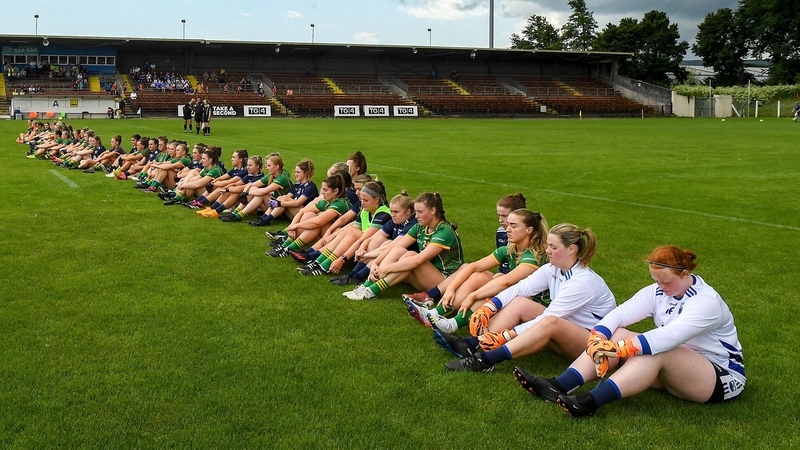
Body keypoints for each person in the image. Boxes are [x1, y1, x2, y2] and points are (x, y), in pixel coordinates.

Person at [516, 246, 745, 418]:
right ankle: (558, 385)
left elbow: (669, 337)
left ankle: (588, 401)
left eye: (666, 282)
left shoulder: (707, 302)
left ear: (685, 274)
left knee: (657, 350)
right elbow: (620, 314)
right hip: (680, 369)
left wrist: (617, 350)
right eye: (656, 281)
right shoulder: (659, 290)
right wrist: (598, 338)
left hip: (720, 377)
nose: (661, 288)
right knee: (619, 333)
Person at [440, 223, 616, 373]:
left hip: (590, 345)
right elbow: (520, 288)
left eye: (553, 247)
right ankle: (471, 344)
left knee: (550, 321)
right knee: (521, 302)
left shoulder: (582, 282)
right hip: (566, 327)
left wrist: (506, 335)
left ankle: (486, 360)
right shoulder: (552, 269)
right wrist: (490, 306)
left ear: (571, 249)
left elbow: (548, 318)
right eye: (548, 245)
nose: (547, 251)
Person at [404, 208, 549, 334]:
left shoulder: (534, 255)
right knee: (480, 275)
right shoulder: (511, 250)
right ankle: (436, 314)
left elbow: (506, 282)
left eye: (513, 226)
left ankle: (451, 322)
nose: (507, 229)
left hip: (536, 307)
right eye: (508, 224)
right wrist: (451, 288)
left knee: (498, 281)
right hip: (518, 298)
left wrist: (472, 296)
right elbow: (473, 266)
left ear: (529, 230)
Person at [344, 192, 463, 300]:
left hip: (445, 281)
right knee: (398, 250)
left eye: (420, 212)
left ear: (433, 211)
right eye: (416, 212)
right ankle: (366, 287)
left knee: (410, 255)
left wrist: (386, 269)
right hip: (425, 276)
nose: (416, 216)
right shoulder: (420, 227)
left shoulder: (444, 231)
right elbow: (394, 246)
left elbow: (418, 260)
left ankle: (372, 291)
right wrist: (376, 262)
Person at [297, 180, 392, 276]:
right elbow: (352, 227)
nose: (362, 203)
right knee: (349, 230)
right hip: (362, 244)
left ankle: (323, 264)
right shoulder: (366, 210)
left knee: (353, 232)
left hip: (374, 247)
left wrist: (342, 260)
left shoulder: (383, 214)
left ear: (377, 200)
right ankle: (319, 261)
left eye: (366, 200)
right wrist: (332, 234)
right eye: (361, 200)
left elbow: (364, 238)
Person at [329, 191, 417, 286]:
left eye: (396, 212)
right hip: (393, 258)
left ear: (408, 212)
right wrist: (362, 248)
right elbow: (371, 238)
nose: (392, 215)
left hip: (408, 267)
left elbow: (392, 247)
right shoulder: (394, 221)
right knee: (378, 240)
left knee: (386, 245)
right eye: (391, 211)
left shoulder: (412, 224)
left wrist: (366, 255)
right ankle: (352, 276)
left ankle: (358, 278)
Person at [266, 172, 353, 258]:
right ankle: (286, 246)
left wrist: (296, 225)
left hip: (340, 240)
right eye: (322, 189)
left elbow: (318, 222)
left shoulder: (340, 203)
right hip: (328, 235)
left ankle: (288, 248)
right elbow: (303, 211)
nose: (322, 193)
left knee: (319, 223)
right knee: (309, 214)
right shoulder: (327, 202)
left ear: (336, 191)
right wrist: (292, 226)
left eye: (325, 190)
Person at [247, 158, 318, 226]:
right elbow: (287, 196)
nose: (295, 174)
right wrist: (277, 201)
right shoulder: (297, 184)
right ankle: (264, 218)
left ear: (306, 173)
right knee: (282, 197)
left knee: (282, 199)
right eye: (295, 172)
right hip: (296, 214)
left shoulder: (310, 187)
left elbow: (297, 203)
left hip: (305, 216)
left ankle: (266, 219)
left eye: (298, 172)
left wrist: (279, 203)